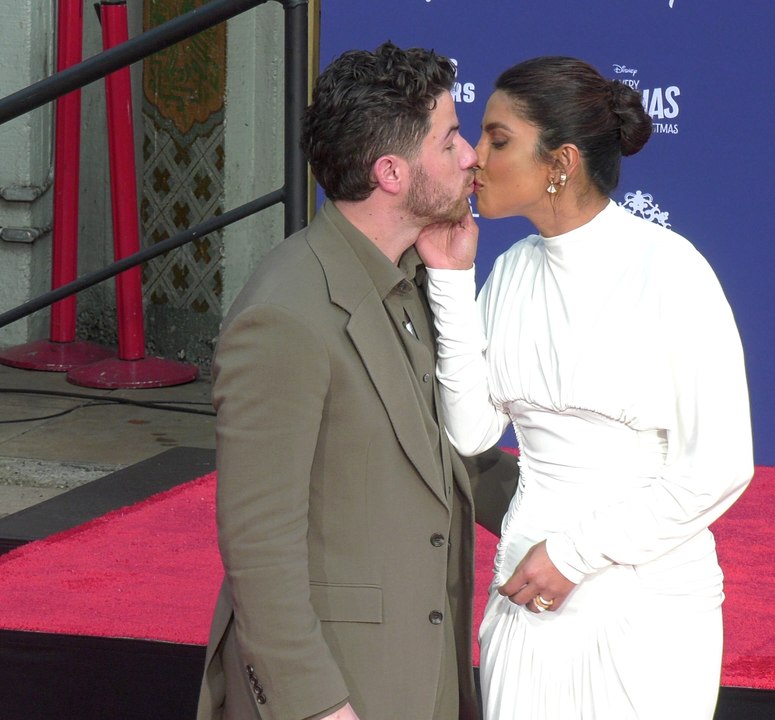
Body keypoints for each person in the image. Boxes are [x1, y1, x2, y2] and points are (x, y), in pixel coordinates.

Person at [415, 56, 755, 719]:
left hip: (646, 598)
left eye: (498, 138)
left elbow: (719, 466)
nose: (474, 158)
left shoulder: (672, 271)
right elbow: (470, 432)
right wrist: (453, 284)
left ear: (560, 162)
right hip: (527, 592)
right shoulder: (509, 271)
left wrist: (573, 554)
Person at [195, 42, 517, 720]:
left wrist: (592, 528)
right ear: (392, 172)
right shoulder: (284, 315)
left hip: (422, 672)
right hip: (339, 690)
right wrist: (314, 705)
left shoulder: (417, 275)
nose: (471, 157)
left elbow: (455, 453)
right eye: (451, 139)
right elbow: (258, 541)